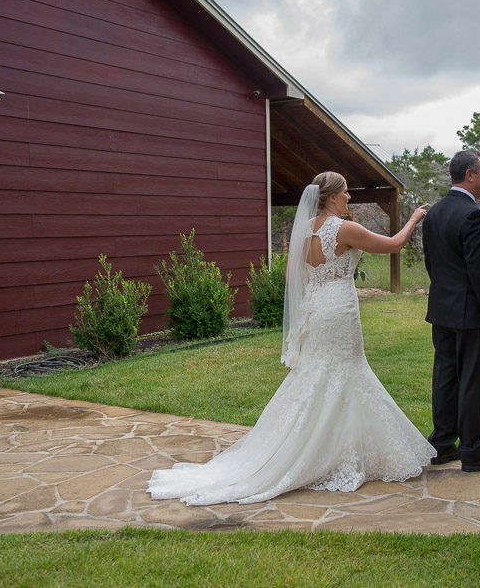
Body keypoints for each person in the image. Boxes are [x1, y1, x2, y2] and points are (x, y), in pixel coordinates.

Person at [148, 171, 436, 505]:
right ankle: (327, 453)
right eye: (345, 193)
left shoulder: (304, 230)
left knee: (320, 371)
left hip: (314, 309)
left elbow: (291, 276)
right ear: (330, 197)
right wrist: (414, 218)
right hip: (338, 308)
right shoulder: (343, 229)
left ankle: (321, 445)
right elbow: (393, 245)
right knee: (344, 370)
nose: (349, 198)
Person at [421, 150, 480, 472]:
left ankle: (443, 444)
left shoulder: (433, 213)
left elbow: (431, 264)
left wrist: (448, 295)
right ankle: (474, 451)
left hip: (441, 312)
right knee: (474, 380)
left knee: (445, 378)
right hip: (471, 315)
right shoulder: (472, 215)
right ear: (470, 175)